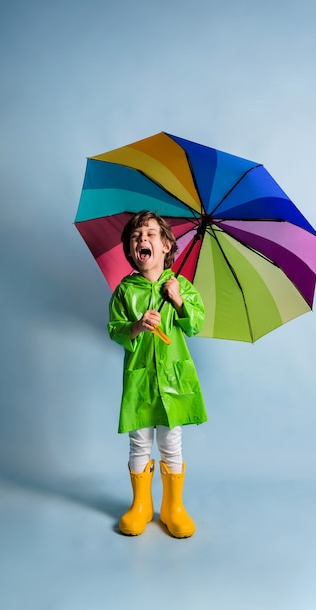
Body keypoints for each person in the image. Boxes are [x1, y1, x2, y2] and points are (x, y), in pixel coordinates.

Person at [108, 210, 207, 538]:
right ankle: (140, 506)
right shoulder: (125, 291)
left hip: (173, 379)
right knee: (139, 442)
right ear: (130, 250)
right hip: (140, 379)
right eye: (136, 237)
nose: (143, 240)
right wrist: (136, 325)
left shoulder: (181, 286)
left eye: (151, 234)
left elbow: (194, 325)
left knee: (171, 442)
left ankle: (172, 507)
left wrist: (178, 301)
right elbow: (115, 330)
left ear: (167, 246)